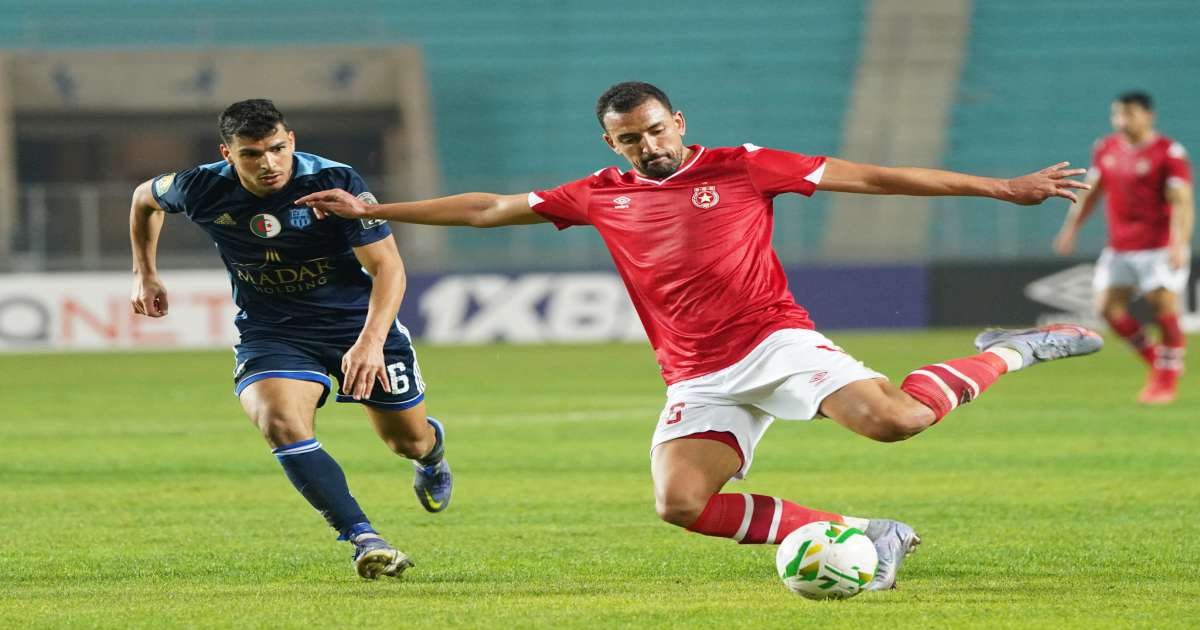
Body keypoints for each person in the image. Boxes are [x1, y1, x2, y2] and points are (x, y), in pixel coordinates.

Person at [298, 82, 1102, 591]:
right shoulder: (597, 194)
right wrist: (374, 210)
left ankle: (1013, 346)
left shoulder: (742, 166)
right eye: (628, 139)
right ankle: (862, 536)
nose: (646, 147)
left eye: (654, 131)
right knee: (680, 504)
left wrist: (1002, 188)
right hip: (696, 374)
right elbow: (485, 207)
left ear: (677, 122)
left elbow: (875, 175)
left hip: (773, 339)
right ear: (608, 143)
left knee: (897, 421)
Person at [129, 99, 452, 579]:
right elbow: (143, 198)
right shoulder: (199, 186)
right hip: (272, 329)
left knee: (406, 440)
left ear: (291, 141)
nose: (269, 163)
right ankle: (363, 538)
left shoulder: (334, 181)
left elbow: (387, 267)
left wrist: (368, 342)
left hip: (355, 323)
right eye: (252, 155)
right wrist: (145, 273)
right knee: (280, 421)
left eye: (277, 149)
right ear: (228, 154)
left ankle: (431, 453)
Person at [1053, 91, 1193, 404]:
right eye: (1117, 114)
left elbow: (1182, 202)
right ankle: (1159, 360)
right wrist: (1070, 228)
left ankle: (1165, 381)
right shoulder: (1106, 148)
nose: (1121, 120)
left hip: (1157, 247)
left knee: (1164, 308)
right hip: (1119, 247)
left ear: (1148, 116)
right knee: (1107, 309)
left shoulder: (1168, 152)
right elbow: (1092, 192)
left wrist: (1179, 244)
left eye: (1129, 113)